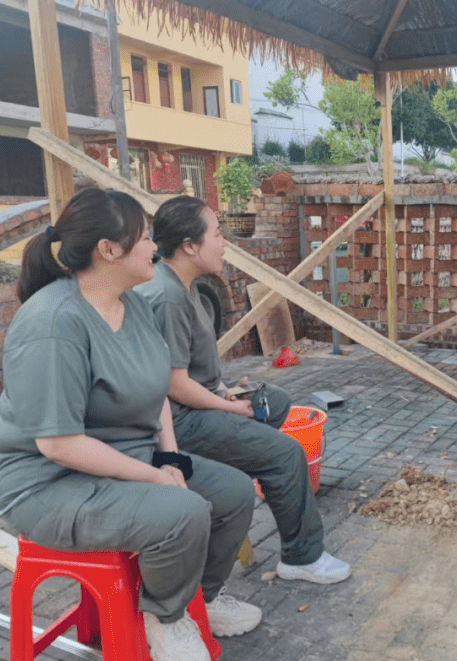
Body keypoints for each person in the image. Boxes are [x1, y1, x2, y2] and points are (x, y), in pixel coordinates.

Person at [0, 189, 259, 661]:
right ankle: (164, 614)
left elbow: (157, 385)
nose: (154, 248)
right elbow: (58, 444)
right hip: (49, 484)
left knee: (236, 493)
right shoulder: (55, 323)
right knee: (183, 513)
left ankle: (204, 594)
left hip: (124, 460)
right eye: (143, 238)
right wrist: (154, 479)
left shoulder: (130, 303)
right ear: (108, 250)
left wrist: (170, 458)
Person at [137, 196, 351, 585]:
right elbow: (174, 385)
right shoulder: (166, 296)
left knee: (276, 402)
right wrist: (229, 408)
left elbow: (199, 369)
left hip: (199, 406)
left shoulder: (185, 287)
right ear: (189, 245)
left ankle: (252, 463)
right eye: (217, 234)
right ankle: (301, 557)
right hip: (178, 423)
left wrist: (225, 390)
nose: (224, 243)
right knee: (286, 453)